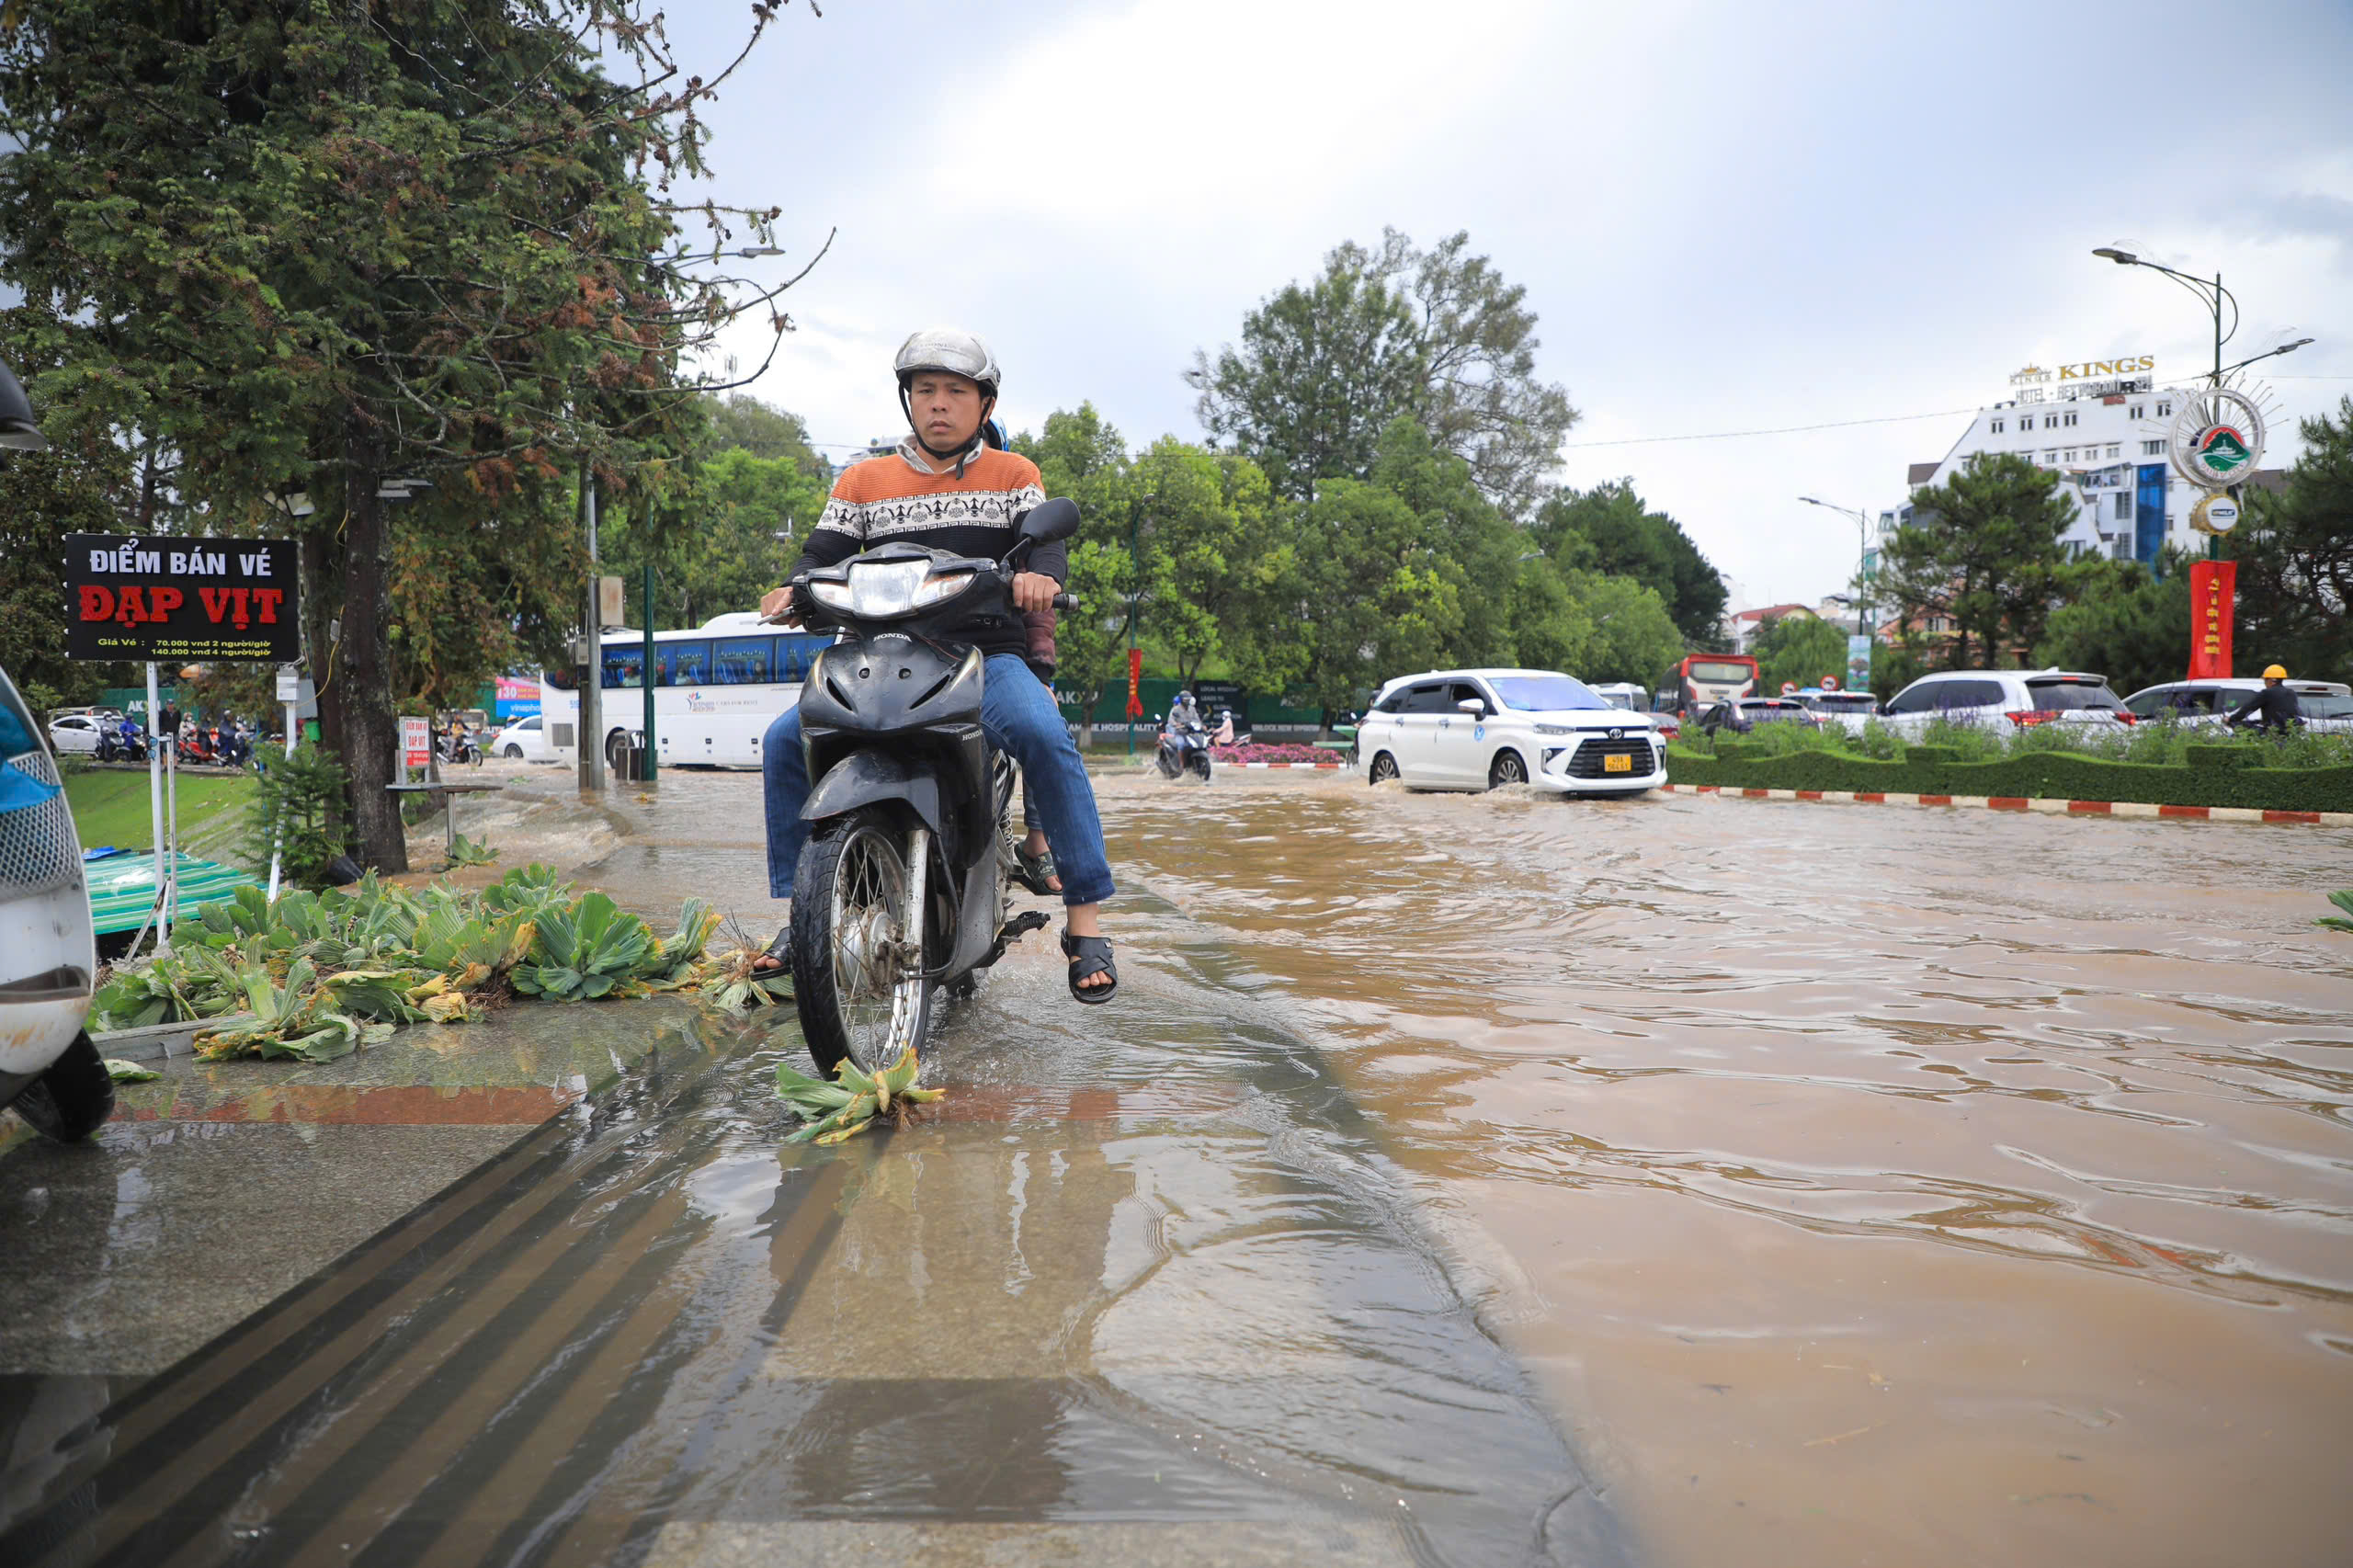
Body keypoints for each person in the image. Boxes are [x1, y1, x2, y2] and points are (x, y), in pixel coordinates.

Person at [754, 328, 1117, 1002]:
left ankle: (1086, 923)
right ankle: (798, 915)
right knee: (783, 739)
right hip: (873, 653)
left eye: (956, 392)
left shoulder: (1015, 475)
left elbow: (1046, 554)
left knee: (1043, 735)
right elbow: (818, 558)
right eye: (926, 391)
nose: (940, 405)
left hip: (986, 655)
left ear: (985, 404)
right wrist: (792, 589)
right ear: (908, 401)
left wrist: (1039, 577)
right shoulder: (862, 481)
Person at [2227, 664, 2301, 734]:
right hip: (2290, 732)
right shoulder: (2291, 693)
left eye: (2265, 680)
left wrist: (2231, 719)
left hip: (2272, 733)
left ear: (2272, 681)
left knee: (2236, 724)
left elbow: (2248, 708)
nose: (2265, 683)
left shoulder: (2267, 693)